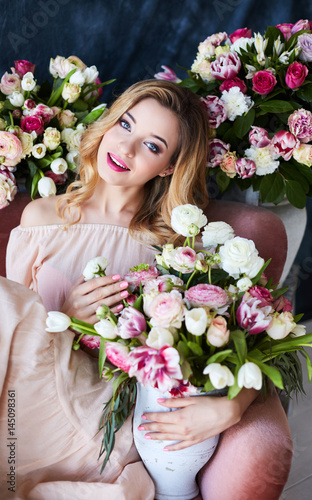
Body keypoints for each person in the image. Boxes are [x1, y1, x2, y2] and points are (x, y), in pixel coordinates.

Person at [5, 80, 292, 499]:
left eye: (152, 146)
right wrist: (63, 316)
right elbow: (11, 330)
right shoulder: (40, 217)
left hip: (99, 412)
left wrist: (233, 406)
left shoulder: (174, 247)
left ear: (169, 168)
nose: (125, 148)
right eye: (125, 124)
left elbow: (248, 342)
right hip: (29, 395)